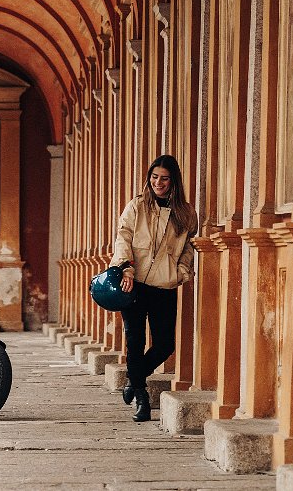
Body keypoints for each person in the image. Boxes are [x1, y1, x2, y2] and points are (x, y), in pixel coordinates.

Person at [110, 155, 197, 422]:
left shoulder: (186, 212)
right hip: (133, 285)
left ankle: (133, 378)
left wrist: (181, 272)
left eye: (164, 178)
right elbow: (123, 235)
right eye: (154, 177)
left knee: (164, 345)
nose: (158, 182)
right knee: (134, 343)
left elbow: (189, 247)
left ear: (173, 182)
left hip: (163, 286)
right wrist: (125, 267)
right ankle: (141, 397)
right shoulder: (137, 206)